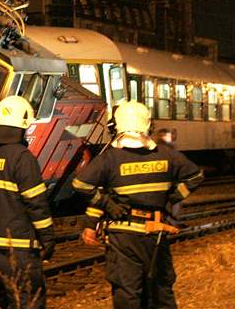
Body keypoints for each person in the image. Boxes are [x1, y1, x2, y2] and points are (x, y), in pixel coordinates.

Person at [73, 101, 203, 309]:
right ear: (147, 124)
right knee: (161, 291)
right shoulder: (166, 155)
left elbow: (81, 184)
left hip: (123, 235)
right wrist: (170, 198)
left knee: (127, 292)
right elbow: (196, 175)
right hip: (156, 234)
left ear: (117, 125)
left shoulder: (110, 158)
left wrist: (104, 206)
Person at [0, 96, 55, 309]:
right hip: (17, 246)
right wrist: (47, 238)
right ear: (23, 126)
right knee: (26, 300)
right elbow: (36, 202)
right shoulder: (22, 157)